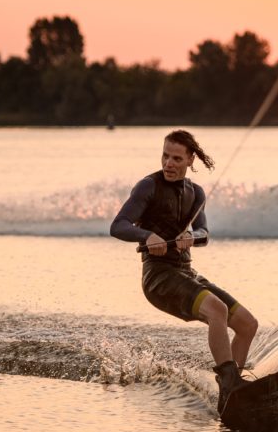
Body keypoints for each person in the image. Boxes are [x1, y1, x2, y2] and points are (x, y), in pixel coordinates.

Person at [110, 130, 259, 410]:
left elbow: (204, 232)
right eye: (165, 156)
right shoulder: (148, 186)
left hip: (186, 271)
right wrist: (146, 236)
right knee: (217, 310)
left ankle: (232, 392)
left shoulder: (196, 192)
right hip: (158, 277)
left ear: (191, 160)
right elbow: (117, 226)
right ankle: (229, 385)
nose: (169, 163)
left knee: (248, 324)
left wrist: (194, 236)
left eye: (177, 158)